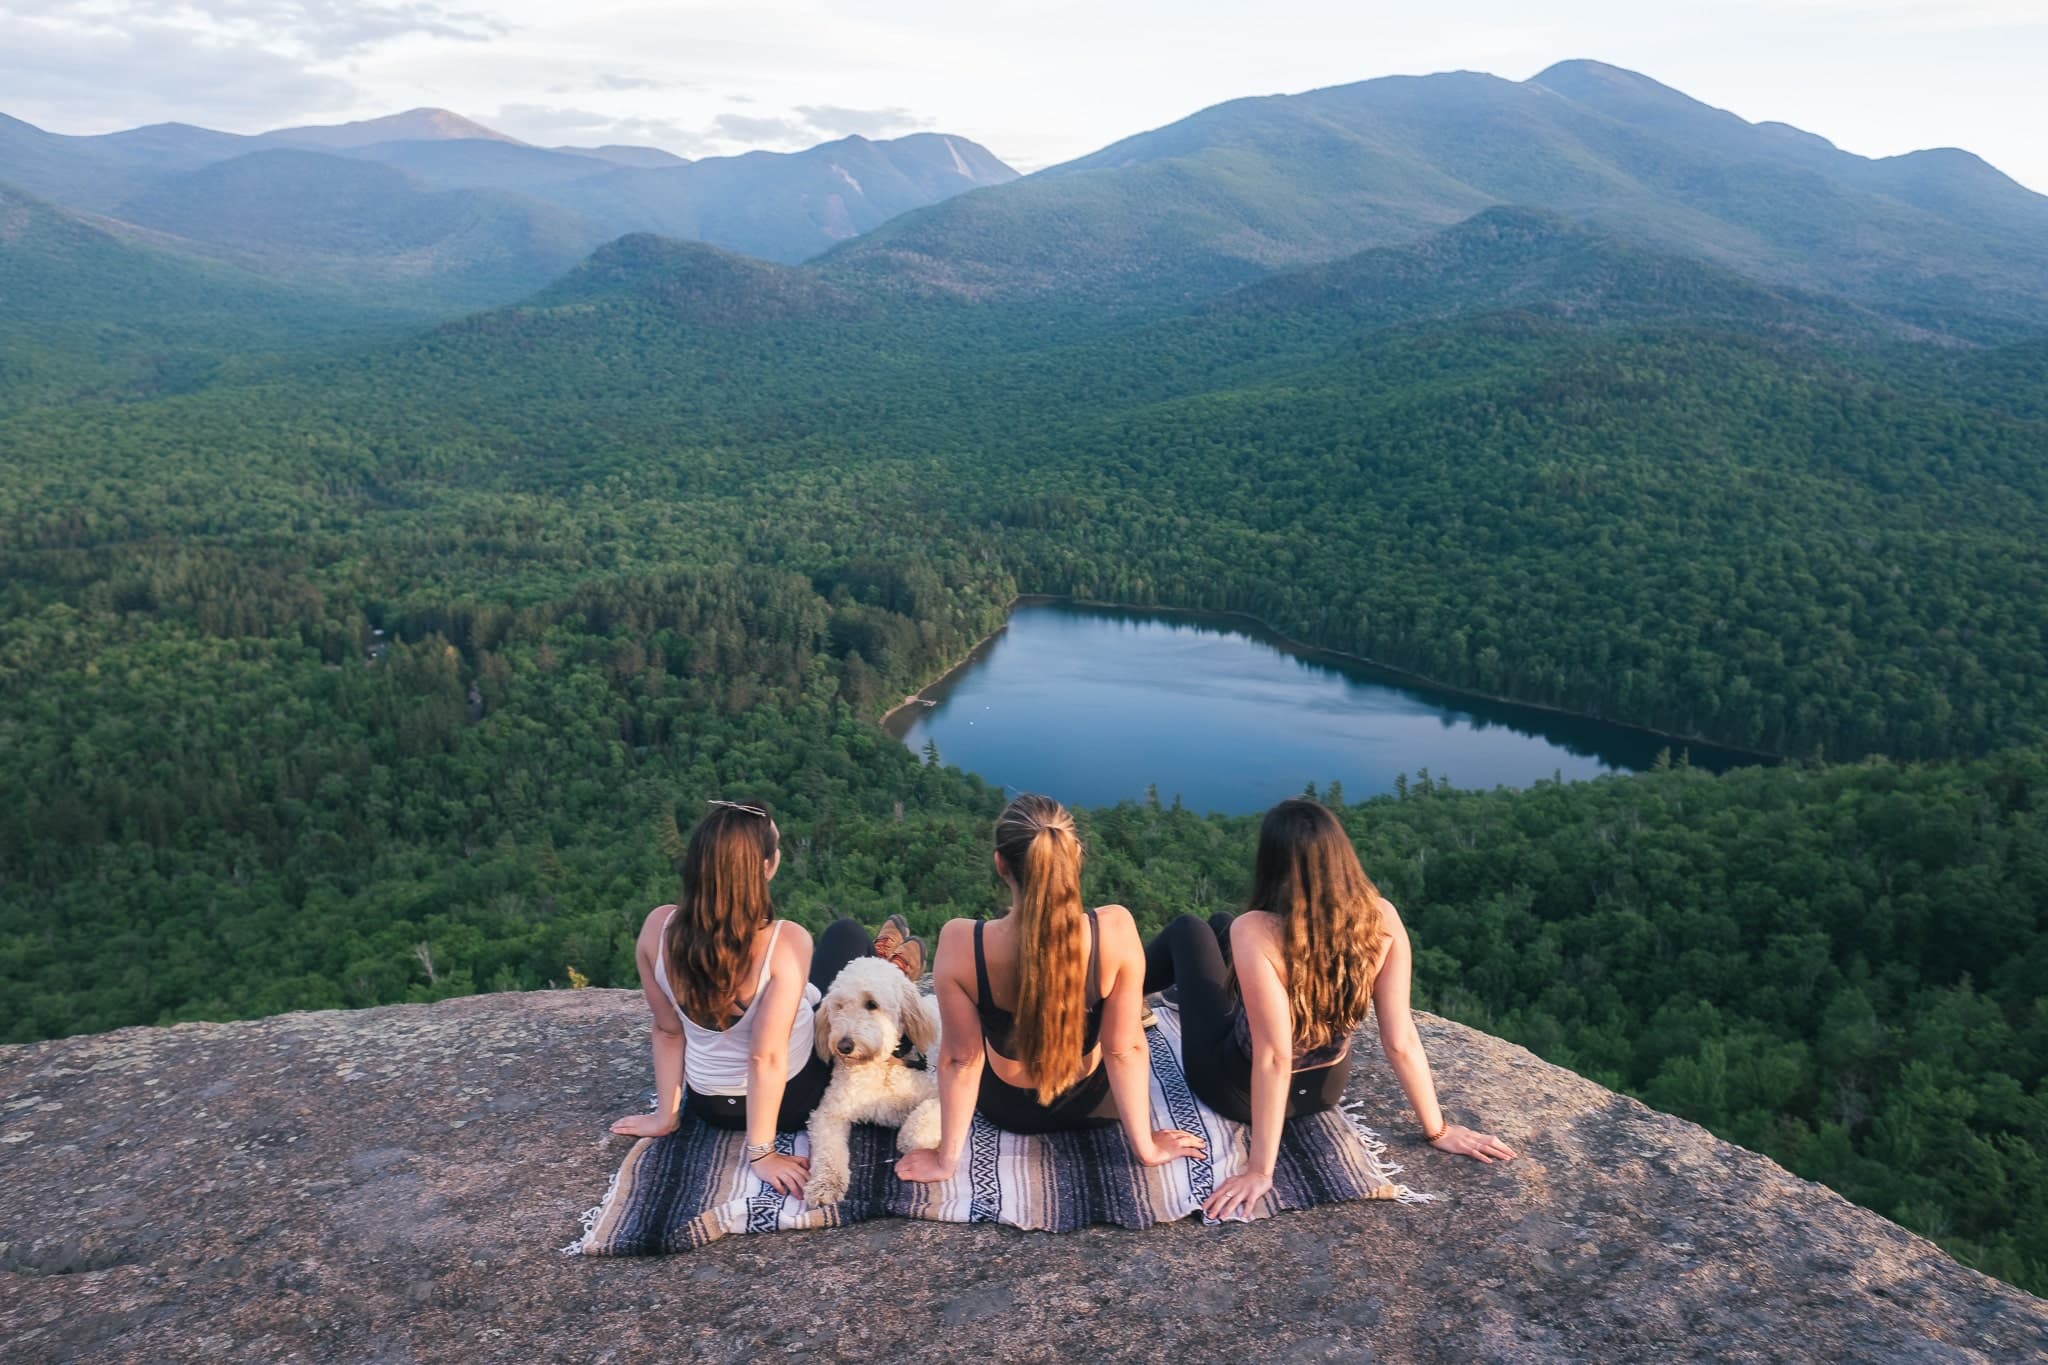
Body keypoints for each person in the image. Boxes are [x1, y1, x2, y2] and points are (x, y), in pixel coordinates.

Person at [1145, 798, 1517, 1220]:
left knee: (1190, 930)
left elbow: (1272, 1056)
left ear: (1272, 862)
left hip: (1238, 1091)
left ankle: (1109, 997)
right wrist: (1438, 1129)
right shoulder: (1383, 918)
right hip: (1324, 1088)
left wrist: (1260, 1170)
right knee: (1222, 924)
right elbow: (1400, 1039)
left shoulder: (1258, 929)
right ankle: (1186, 990)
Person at [608, 798, 924, 1197]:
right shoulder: (785, 940)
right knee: (847, 935)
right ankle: (889, 970)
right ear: (764, 867)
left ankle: (885, 965)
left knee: (817, 973)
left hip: (707, 1105)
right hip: (790, 1102)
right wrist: (762, 1153)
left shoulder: (658, 927)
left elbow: (668, 1033)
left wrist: (666, 1117)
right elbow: (765, 1056)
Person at [895, 793, 1205, 1183]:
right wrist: (1147, 1147)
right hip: (1097, 1106)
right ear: (1074, 854)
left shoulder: (961, 942)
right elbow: (1124, 1048)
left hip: (1010, 1110)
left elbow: (961, 1061)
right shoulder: (1114, 929)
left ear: (1000, 863)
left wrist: (945, 1161)